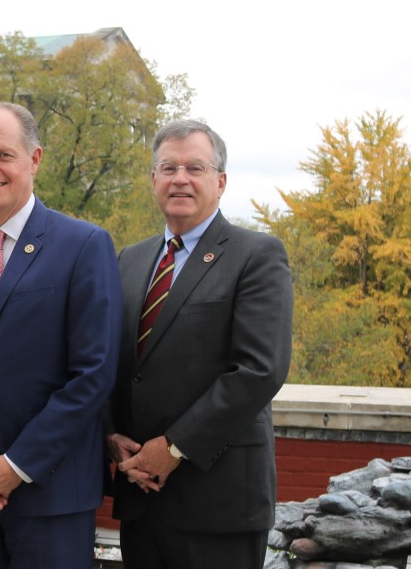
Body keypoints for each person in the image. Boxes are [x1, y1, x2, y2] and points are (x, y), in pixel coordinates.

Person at [0, 102, 122, 569]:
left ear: (34, 159)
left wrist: (17, 464)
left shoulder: (84, 245)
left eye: (3, 155)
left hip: (51, 495)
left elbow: (93, 374)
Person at [105, 119, 293, 569]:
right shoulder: (130, 259)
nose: (180, 179)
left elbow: (259, 370)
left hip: (218, 503)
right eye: (168, 168)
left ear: (220, 182)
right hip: (142, 497)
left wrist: (173, 448)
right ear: (153, 179)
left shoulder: (256, 255)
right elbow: (113, 360)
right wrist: (109, 434)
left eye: (195, 167)